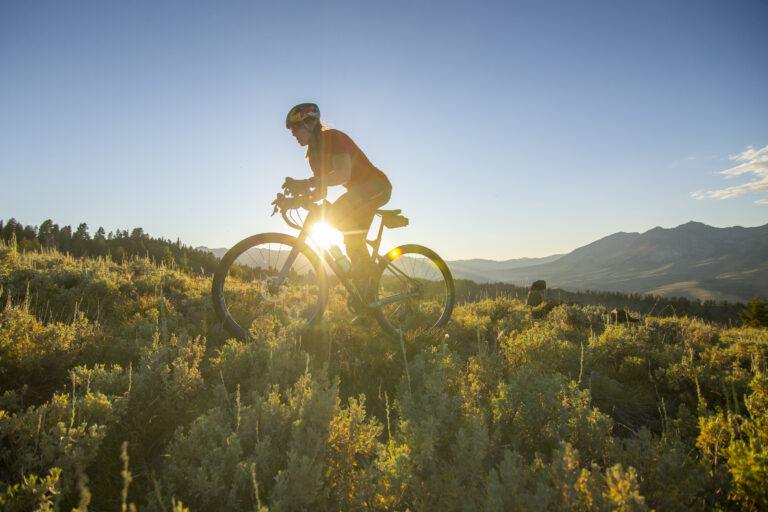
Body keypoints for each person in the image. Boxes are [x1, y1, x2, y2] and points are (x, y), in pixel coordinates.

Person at [283, 102, 392, 289]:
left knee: (338, 212)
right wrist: (296, 200)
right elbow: (320, 193)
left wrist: (306, 183)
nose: (293, 134)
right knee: (351, 241)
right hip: (359, 195)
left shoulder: (333, 138)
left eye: (295, 128)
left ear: (309, 124)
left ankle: (368, 270)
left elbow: (343, 175)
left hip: (376, 186)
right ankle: (367, 296)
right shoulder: (314, 157)